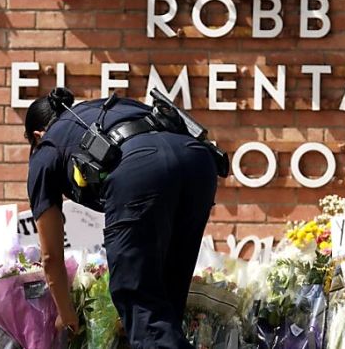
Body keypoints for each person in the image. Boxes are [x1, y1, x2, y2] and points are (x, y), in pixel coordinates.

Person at [24, 87, 219, 349]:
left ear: (37, 135)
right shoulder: (107, 109)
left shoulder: (46, 148)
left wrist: (65, 311)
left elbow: (50, 256)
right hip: (198, 162)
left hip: (140, 172)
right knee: (168, 295)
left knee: (139, 297)